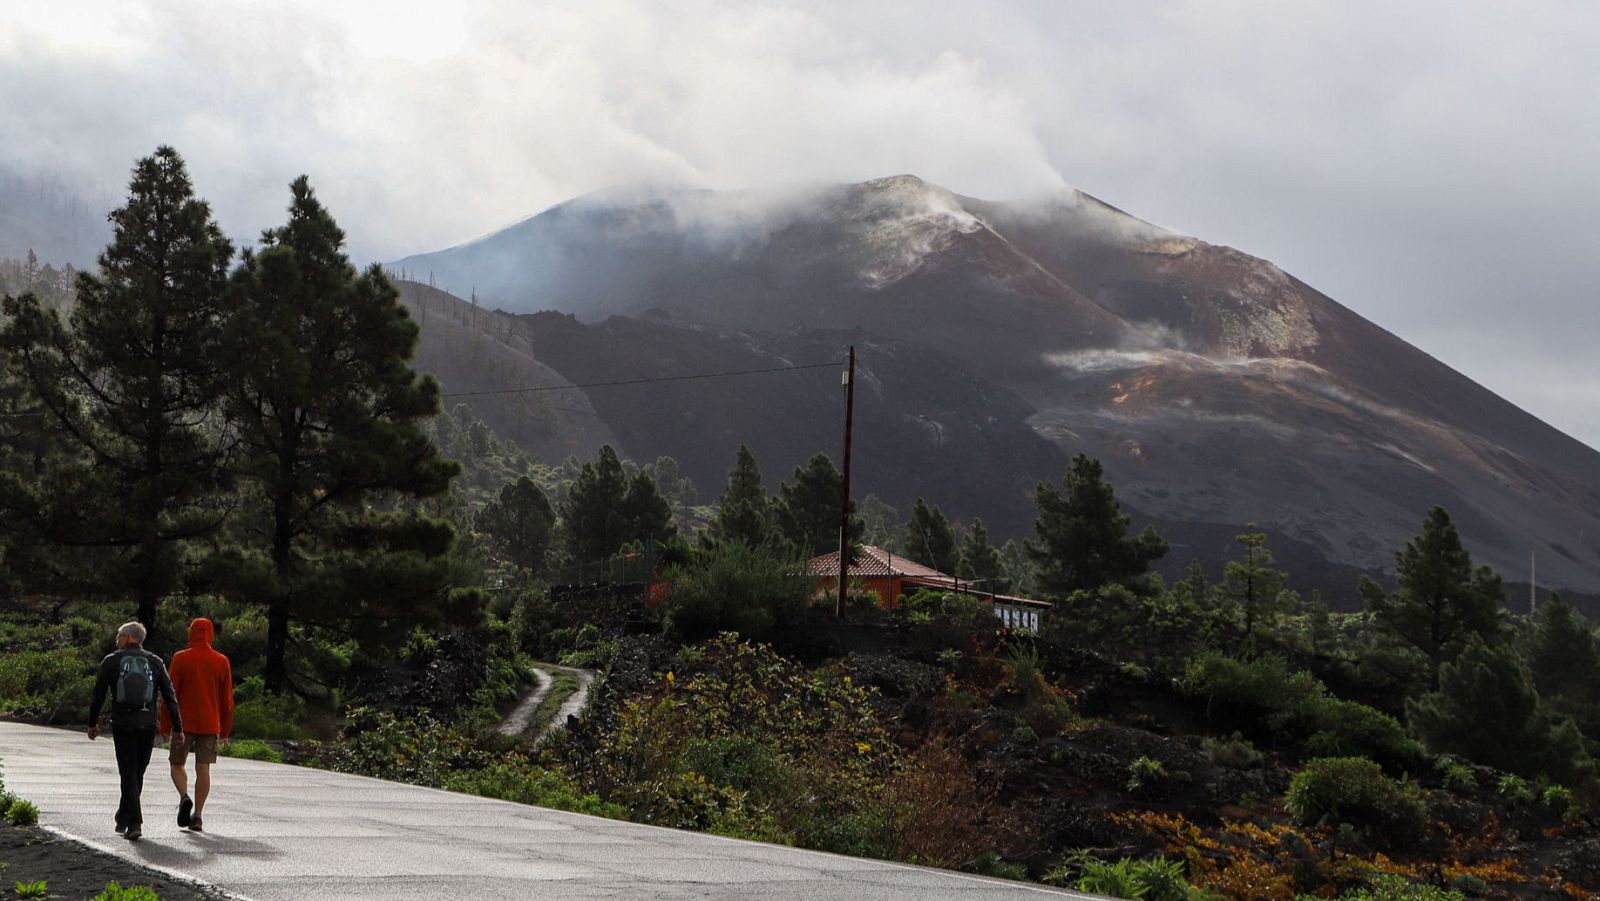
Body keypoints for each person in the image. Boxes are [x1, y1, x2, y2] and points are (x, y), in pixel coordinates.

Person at [88, 621, 183, 841]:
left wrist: (93, 723)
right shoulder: (155, 662)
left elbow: (98, 694)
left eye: (119, 636)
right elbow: (170, 695)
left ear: (130, 638)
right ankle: (124, 817)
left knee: (128, 773)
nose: (117, 640)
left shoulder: (112, 661)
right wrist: (178, 727)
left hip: (123, 725)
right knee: (137, 772)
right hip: (147, 725)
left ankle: (133, 821)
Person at [160, 617, 234, 833]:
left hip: (183, 723)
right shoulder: (221, 661)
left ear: (191, 632)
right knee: (204, 768)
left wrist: (165, 725)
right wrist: (225, 730)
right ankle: (198, 815)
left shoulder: (181, 658)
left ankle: (184, 797)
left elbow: (169, 693)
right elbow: (227, 700)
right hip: (210, 723)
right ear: (211, 634)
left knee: (176, 764)